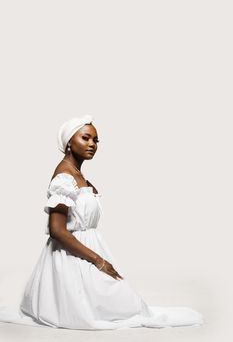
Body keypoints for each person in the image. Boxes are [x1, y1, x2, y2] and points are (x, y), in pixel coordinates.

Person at [0, 114, 204, 330]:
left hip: (89, 249)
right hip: (71, 257)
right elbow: (57, 230)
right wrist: (98, 261)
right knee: (111, 305)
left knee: (124, 301)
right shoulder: (63, 177)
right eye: (85, 138)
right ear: (69, 142)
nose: (92, 144)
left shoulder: (78, 174)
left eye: (96, 140)